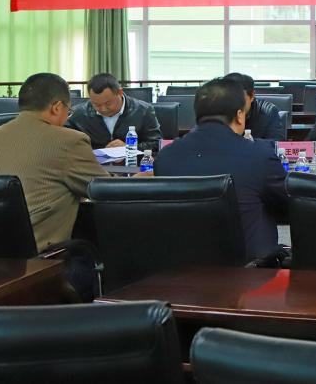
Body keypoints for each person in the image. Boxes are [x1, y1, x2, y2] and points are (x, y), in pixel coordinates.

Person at [154, 78, 288, 260]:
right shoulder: (260, 155)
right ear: (239, 115)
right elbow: (287, 205)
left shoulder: (166, 157)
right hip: (250, 270)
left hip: (183, 266)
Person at [0, 73, 109, 250]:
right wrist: (137, 180)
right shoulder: (68, 141)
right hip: (36, 257)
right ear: (57, 107)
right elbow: (104, 190)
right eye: (68, 112)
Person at [66, 73, 161, 151]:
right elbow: (65, 143)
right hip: (94, 165)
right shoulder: (78, 114)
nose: (103, 109)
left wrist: (129, 148)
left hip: (132, 165)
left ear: (120, 92)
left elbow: (157, 144)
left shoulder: (143, 111)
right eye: (96, 104)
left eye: (108, 103)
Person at [222, 72, 283, 141]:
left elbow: (275, 143)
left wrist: (248, 143)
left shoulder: (268, 112)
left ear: (252, 96)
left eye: (239, 99)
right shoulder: (217, 112)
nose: (234, 103)